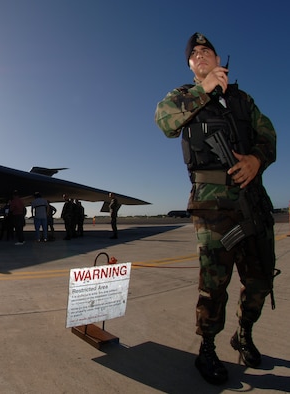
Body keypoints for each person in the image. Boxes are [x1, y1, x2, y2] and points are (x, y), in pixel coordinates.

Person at [155, 32, 277, 385]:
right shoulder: (182, 97)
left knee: (259, 280)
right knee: (214, 284)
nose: (201, 55)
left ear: (218, 56)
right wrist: (203, 89)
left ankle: (243, 334)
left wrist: (256, 159)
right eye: (194, 53)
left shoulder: (243, 100)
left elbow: (268, 137)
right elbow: (164, 121)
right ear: (190, 65)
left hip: (252, 200)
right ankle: (207, 347)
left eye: (206, 50)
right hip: (212, 206)